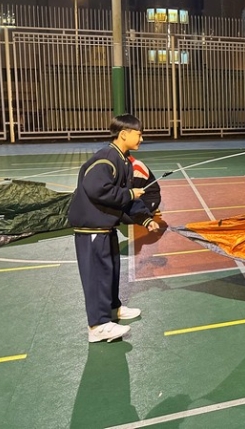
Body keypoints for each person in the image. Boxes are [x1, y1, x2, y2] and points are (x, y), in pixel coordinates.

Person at [68, 114, 160, 343]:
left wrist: (145, 219)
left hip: (105, 226)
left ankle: (112, 309)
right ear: (124, 134)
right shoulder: (107, 158)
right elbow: (96, 189)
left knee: (110, 271)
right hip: (91, 228)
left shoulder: (124, 161)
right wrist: (129, 193)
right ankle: (97, 326)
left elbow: (124, 201)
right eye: (139, 134)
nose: (142, 138)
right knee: (97, 275)